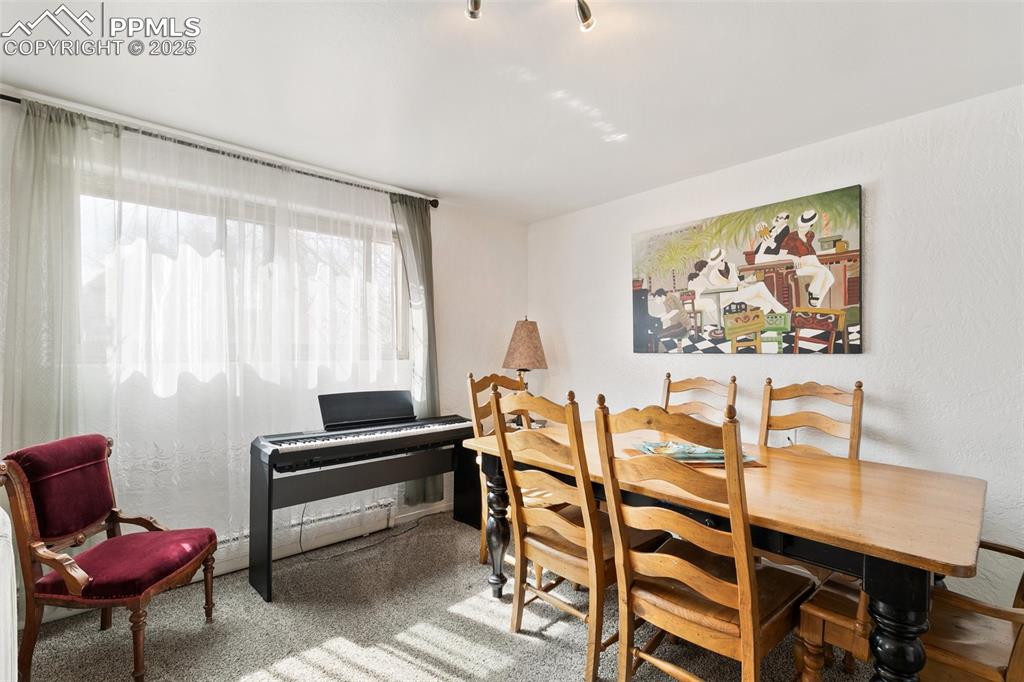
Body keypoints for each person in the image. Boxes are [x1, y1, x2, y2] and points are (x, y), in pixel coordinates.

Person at [705, 247, 787, 314]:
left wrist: (748, 282)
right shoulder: (713, 275)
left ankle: (755, 324)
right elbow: (722, 290)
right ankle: (779, 309)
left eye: (716, 262)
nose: (715, 264)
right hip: (730, 297)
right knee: (760, 285)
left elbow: (737, 283)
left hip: (740, 293)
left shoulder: (731, 266)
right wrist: (738, 285)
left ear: (721, 259)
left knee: (767, 305)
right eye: (714, 263)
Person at [779, 209, 834, 306]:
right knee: (821, 272)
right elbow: (780, 254)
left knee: (830, 279)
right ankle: (812, 292)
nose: (804, 227)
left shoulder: (810, 235)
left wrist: (831, 251)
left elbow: (811, 253)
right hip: (800, 265)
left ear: (811, 225)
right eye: (802, 225)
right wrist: (793, 258)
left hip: (814, 262)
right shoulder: (792, 237)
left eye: (806, 225)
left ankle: (817, 304)